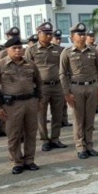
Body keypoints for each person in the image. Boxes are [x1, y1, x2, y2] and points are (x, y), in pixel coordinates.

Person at [0, 36, 42, 174]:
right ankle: (17, 162)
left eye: (20, 48)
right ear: (8, 50)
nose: (18, 50)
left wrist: (40, 100)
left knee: (31, 133)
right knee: (14, 134)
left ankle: (29, 160)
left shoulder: (30, 64)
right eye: (14, 48)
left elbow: (39, 83)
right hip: (12, 105)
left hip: (30, 102)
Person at [60, 22, 98, 159]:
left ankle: (89, 145)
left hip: (91, 87)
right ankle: (80, 147)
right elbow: (62, 74)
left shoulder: (93, 51)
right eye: (79, 34)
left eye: (83, 34)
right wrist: (67, 93)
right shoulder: (67, 52)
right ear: (72, 37)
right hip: (76, 88)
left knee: (90, 118)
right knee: (79, 119)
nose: (82, 37)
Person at [25, 22, 67, 151]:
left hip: (57, 86)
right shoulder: (31, 50)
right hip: (41, 87)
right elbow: (27, 70)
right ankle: (44, 140)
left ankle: (55, 138)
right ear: (38, 34)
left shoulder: (59, 49)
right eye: (45, 33)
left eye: (50, 34)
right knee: (41, 114)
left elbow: (65, 68)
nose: (49, 36)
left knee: (58, 114)